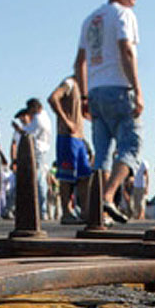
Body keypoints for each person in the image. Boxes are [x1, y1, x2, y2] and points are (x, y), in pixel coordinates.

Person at [75, 0, 146, 225]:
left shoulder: (90, 19)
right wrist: (137, 89)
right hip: (119, 87)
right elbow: (126, 50)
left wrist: (84, 96)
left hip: (95, 90)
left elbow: (79, 62)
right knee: (131, 147)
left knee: (102, 152)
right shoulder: (123, 14)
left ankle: (97, 210)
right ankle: (107, 196)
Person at [47, 75, 93, 224]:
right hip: (67, 136)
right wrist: (66, 120)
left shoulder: (82, 89)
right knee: (67, 177)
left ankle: (86, 211)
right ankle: (66, 212)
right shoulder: (70, 83)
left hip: (79, 138)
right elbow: (53, 98)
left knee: (85, 175)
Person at [18, 98, 53, 219]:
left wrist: (19, 130)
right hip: (43, 150)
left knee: (38, 180)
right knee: (40, 179)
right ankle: (42, 210)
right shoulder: (45, 116)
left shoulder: (38, 119)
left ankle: (41, 210)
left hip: (38, 151)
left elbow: (28, 133)